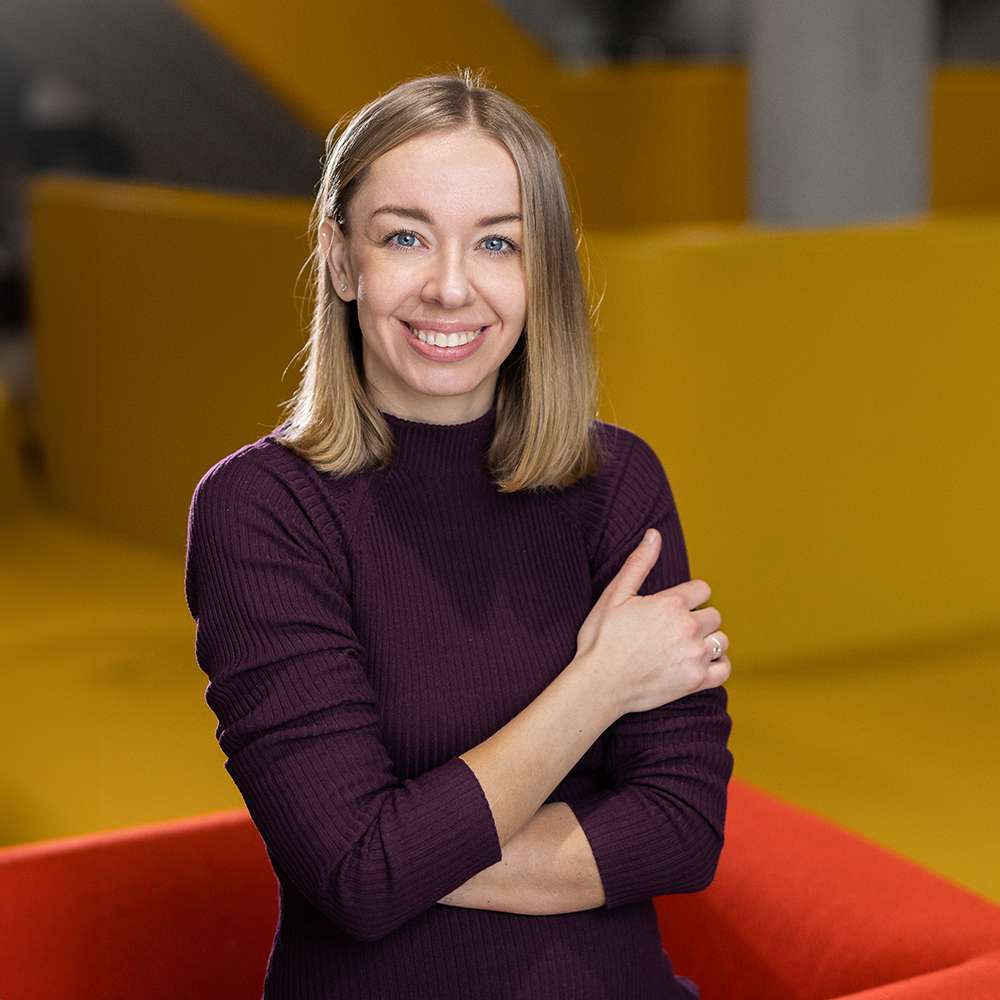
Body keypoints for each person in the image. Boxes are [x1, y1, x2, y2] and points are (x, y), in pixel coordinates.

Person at [184, 67, 733, 1000]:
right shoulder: (262, 509)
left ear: (539, 272)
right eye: (405, 236)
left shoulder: (616, 482)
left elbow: (683, 829)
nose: (450, 288)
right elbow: (359, 878)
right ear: (341, 259)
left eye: (497, 243)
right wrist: (600, 684)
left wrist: (402, 851)